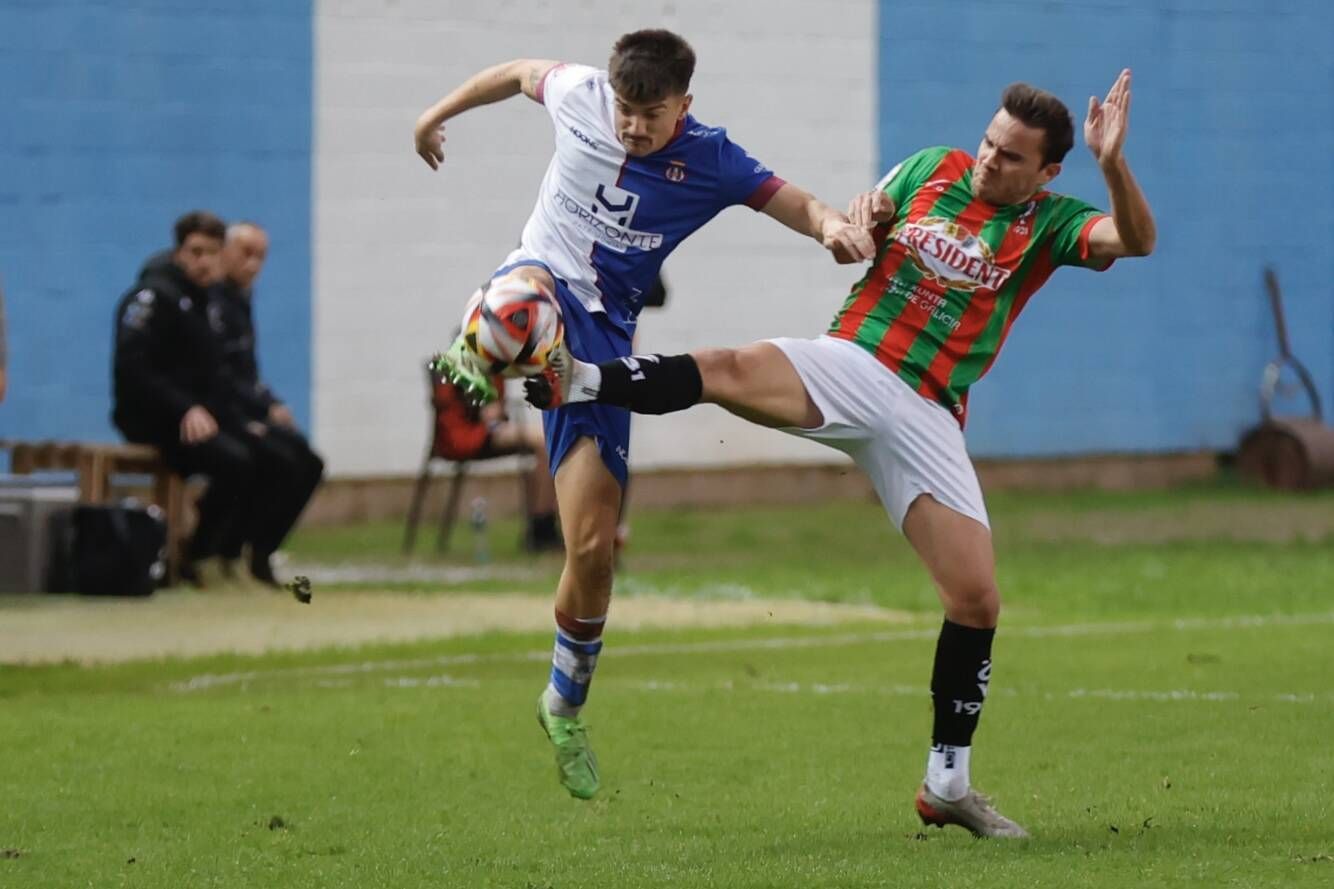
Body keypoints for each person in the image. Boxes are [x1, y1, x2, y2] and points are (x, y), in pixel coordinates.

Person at [527, 71, 1156, 836]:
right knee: (728, 369)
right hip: (854, 361)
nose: (990, 160)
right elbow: (873, 212)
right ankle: (583, 377)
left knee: (976, 598)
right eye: (989, 143)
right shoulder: (935, 168)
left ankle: (947, 781)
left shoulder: (1053, 225)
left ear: (1049, 172)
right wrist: (860, 221)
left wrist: (1114, 163)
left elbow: (1136, 240)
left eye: (1012, 157)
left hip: (927, 411)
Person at [415, 29, 876, 800]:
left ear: (684, 107)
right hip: (541, 277)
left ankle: (563, 704)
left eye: (650, 115)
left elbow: (789, 199)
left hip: (603, 343)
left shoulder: (711, 157)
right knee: (517, 303)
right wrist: (433, 114)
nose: (632, 127)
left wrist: (833, 226)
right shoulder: (579, 94)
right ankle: (481, 351)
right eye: (626, 111)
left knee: (592, 549)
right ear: (611, 93)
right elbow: (516, 70)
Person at [113, 211, 251, 585]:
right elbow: (135, 369)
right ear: (179, 252)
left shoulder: (206, 301)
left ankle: (227, 552)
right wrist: (184, 408)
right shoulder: (153, 297)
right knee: (236, 463)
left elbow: (216, 373)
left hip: (196, 416)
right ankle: (199, 554)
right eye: (195, 252)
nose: (203, 261)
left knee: (268, 456)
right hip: (152, 418)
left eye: (211, 253)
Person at [211, 222, 325, 584]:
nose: (253, 264)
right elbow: (215, 374)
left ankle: (262, 551)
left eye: (260, 256)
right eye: (245, 253)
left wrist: (271, 404)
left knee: (307, 461)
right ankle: (224, 549)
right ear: (225, 253)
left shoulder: (241, 301)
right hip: (220, 413)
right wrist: (254, 415)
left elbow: (247, 372)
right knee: (272, 460)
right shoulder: (211, 302)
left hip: (244, 410)